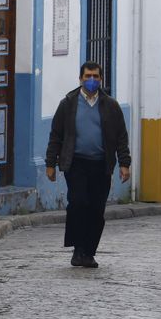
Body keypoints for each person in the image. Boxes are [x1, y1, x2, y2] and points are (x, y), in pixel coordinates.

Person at [45, 63, 131, 268]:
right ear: (80, 78)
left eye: (95, 76)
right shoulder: (68, 104)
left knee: (96, 209)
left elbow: (121, 136)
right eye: (87, 76)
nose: (91, 80)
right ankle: (78, 250)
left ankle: (89, 252)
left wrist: (124, 163)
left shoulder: (111, 106)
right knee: (78, 203)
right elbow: (56, 135)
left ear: (101, 79)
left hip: (101, 164)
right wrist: (50, 163)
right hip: (76, 163)